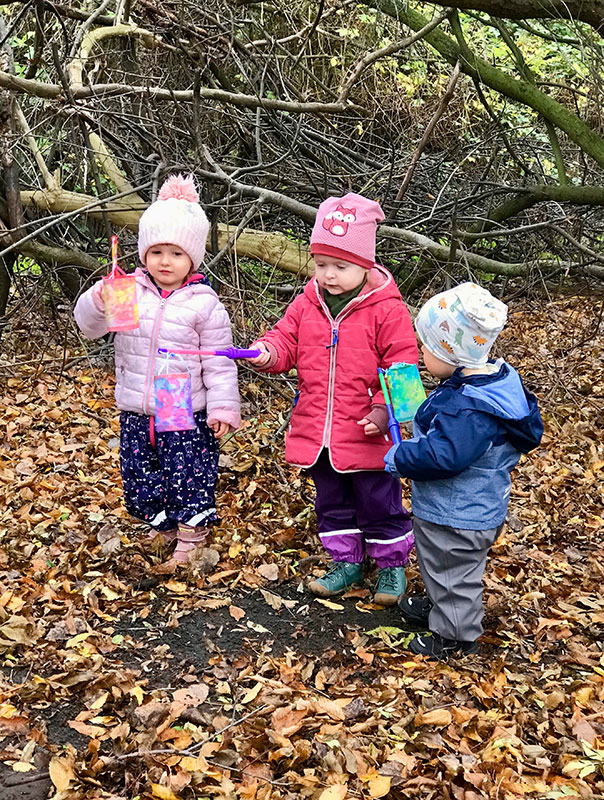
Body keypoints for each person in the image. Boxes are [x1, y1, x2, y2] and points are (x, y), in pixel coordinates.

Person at [249, 193, 418, 604]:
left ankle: (391, 566)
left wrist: (385, 410)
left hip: (367, 431)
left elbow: (402, 369)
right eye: (321, 264)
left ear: (364, 264)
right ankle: (346, 561)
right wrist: (266, 352)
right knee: (332, 501)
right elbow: (285, 338)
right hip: (319, 427)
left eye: (340, 266)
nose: (329, 275)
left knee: (378, 499)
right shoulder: (308, 302)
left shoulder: (387, 309)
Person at [74, 175, 240, 562]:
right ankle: (162, 526)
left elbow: (219, 362)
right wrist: (98, 299)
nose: (165, 261)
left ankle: (191, 534)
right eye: (157, 252)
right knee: (138, 474)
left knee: (186, 471)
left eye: (176, 254)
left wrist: (222, 407)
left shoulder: (204, 304)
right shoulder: (126, 289)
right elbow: (91, 328)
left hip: (179, 398)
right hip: (136, 401)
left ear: (193, 258)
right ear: (144, 253)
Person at [384, 282, 543, 658]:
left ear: (451, 350)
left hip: (458, 515)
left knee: (453, 569)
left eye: (428, 346)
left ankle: (455, 634)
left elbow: (444, 457)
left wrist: (399, 456)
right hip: (463, 508)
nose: (422, 353)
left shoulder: (470, 410)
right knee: (441, 565)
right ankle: (445, 608)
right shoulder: (483, 382)